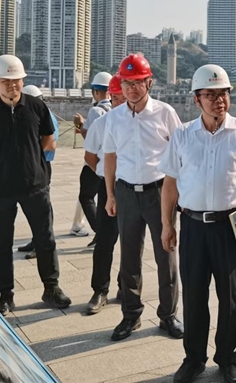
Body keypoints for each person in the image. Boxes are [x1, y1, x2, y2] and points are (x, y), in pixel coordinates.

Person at [160, 65, 236, 383]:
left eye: (223, 93)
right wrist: (167, 224)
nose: (218, 100)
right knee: (194, 296)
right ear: (197, 99)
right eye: (210, 94)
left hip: (231, 226)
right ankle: (193, 359)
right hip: (193, 225)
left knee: (230, 297)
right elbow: (170, 184)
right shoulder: (182, 135)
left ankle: (227, 358)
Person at [0, 55, 71, 315]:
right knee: (2, 242)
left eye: (16, 80)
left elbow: (49, 138)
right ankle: (5, 295)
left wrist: (32, 161)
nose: (12, 85)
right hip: (0, 188)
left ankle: (51, 287)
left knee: (45, 238)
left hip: (35, 185)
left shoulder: (37, 107)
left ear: (23, 81)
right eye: (6, 81)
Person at [102, 54, 183, 341]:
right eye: (126, 83)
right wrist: (110, 195)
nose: (132, 89)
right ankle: (131, 315)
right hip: (126, 193)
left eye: (137, 83)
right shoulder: (114, 118)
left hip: (159, 192)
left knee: (166, 254)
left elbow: (180, 153)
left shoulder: (165, 113)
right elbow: (110, 157)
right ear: (120, 85)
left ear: (149, 83)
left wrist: (179, 194)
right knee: (129, 257)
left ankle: (168, 315)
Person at [82, 74, 126, 315]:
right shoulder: (101, 124)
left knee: (132, 242)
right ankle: (100, 290)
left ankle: (126, 286)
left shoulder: (139, 122)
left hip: (133, 188)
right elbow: (90, 157)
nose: (119, 103)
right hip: (108, 186)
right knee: (104, 240)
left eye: (123, 98)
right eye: (115, 98)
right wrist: (105, 174)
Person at [17, 85, 61, 261]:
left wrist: (31, 153)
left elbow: (52, 144)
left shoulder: (46, 116)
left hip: (41, 165)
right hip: (33, 164)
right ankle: (36, 240)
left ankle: (43, 245)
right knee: (35, 206)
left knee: (42, 206)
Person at [73, 71, 113, 241]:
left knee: (86, 196)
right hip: (110, 160)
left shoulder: (96, 110)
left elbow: (90, 139)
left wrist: (80, 125)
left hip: (95, 161)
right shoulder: (116, 109)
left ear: (96, 92)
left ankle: (100, 232)